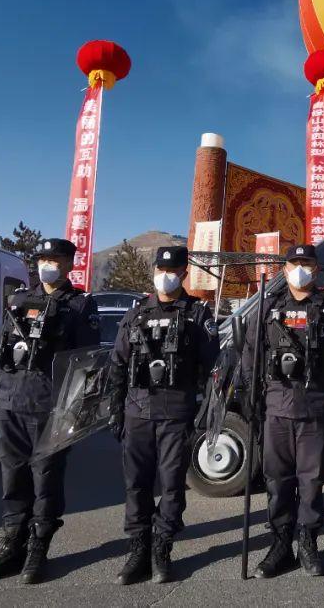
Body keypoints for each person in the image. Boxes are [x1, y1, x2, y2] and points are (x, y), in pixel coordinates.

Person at [0, 238, 98, 584]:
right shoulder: (17, 300)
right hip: (13, 401)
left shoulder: (78, 306)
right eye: (43, 258)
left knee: (46, 478)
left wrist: (74, 411)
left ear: (68, 264)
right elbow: (3, 354)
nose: (48, 264)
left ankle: (38, 548)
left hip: (51, 407)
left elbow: (86, 363)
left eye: (55, 259)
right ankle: (13, 544)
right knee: (13, 476)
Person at [107, 246, 219, 585]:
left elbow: (214, 368)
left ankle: (161, 547)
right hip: (137, 410)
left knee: (171, 485)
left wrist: (206, 411)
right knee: (136, 484)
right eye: (161, 268)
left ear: (184, 274)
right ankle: (138, 548)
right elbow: (117, 364)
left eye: (173, 270)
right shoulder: (137, 312)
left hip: (176, 411)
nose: (166, 275)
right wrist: (114, 408)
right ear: (154, 270)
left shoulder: (197, 314)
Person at [241, 244, 324, 578]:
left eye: (306, 263)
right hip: (275, 406)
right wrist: (250, 391)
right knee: (277, 480)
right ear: (285, 269)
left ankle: (308, 540)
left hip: (314, 406)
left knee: (312, 480)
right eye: (294, 263)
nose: (300, 269)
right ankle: (280, 544)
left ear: (316, 269)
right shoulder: (268, 306)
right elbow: (250, 352)